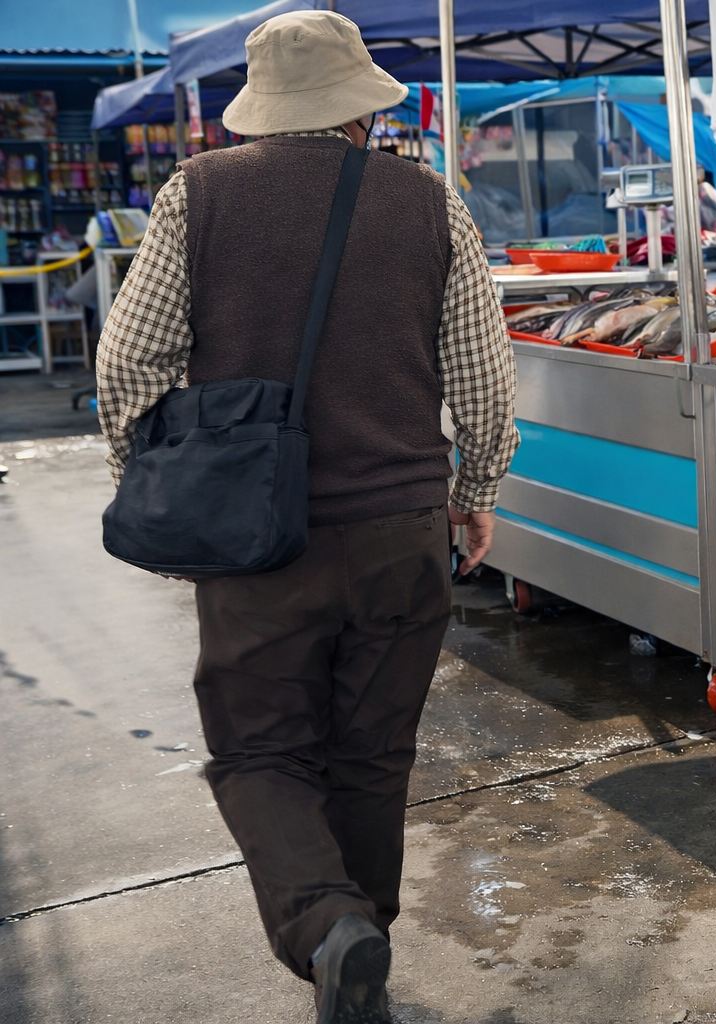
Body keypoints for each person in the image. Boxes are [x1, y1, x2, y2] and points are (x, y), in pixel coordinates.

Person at [94, 11, 518, 1024]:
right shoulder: (428, 204)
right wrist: (478, 492)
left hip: (254, 541)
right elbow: (485, 378)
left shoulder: (197, 195)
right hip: (403, 528)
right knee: (372, 752)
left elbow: (128, 366)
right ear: (361, 111)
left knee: (259, 750)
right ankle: (357, 942)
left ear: (259, 111)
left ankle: (332, 933)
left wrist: (161, 483)